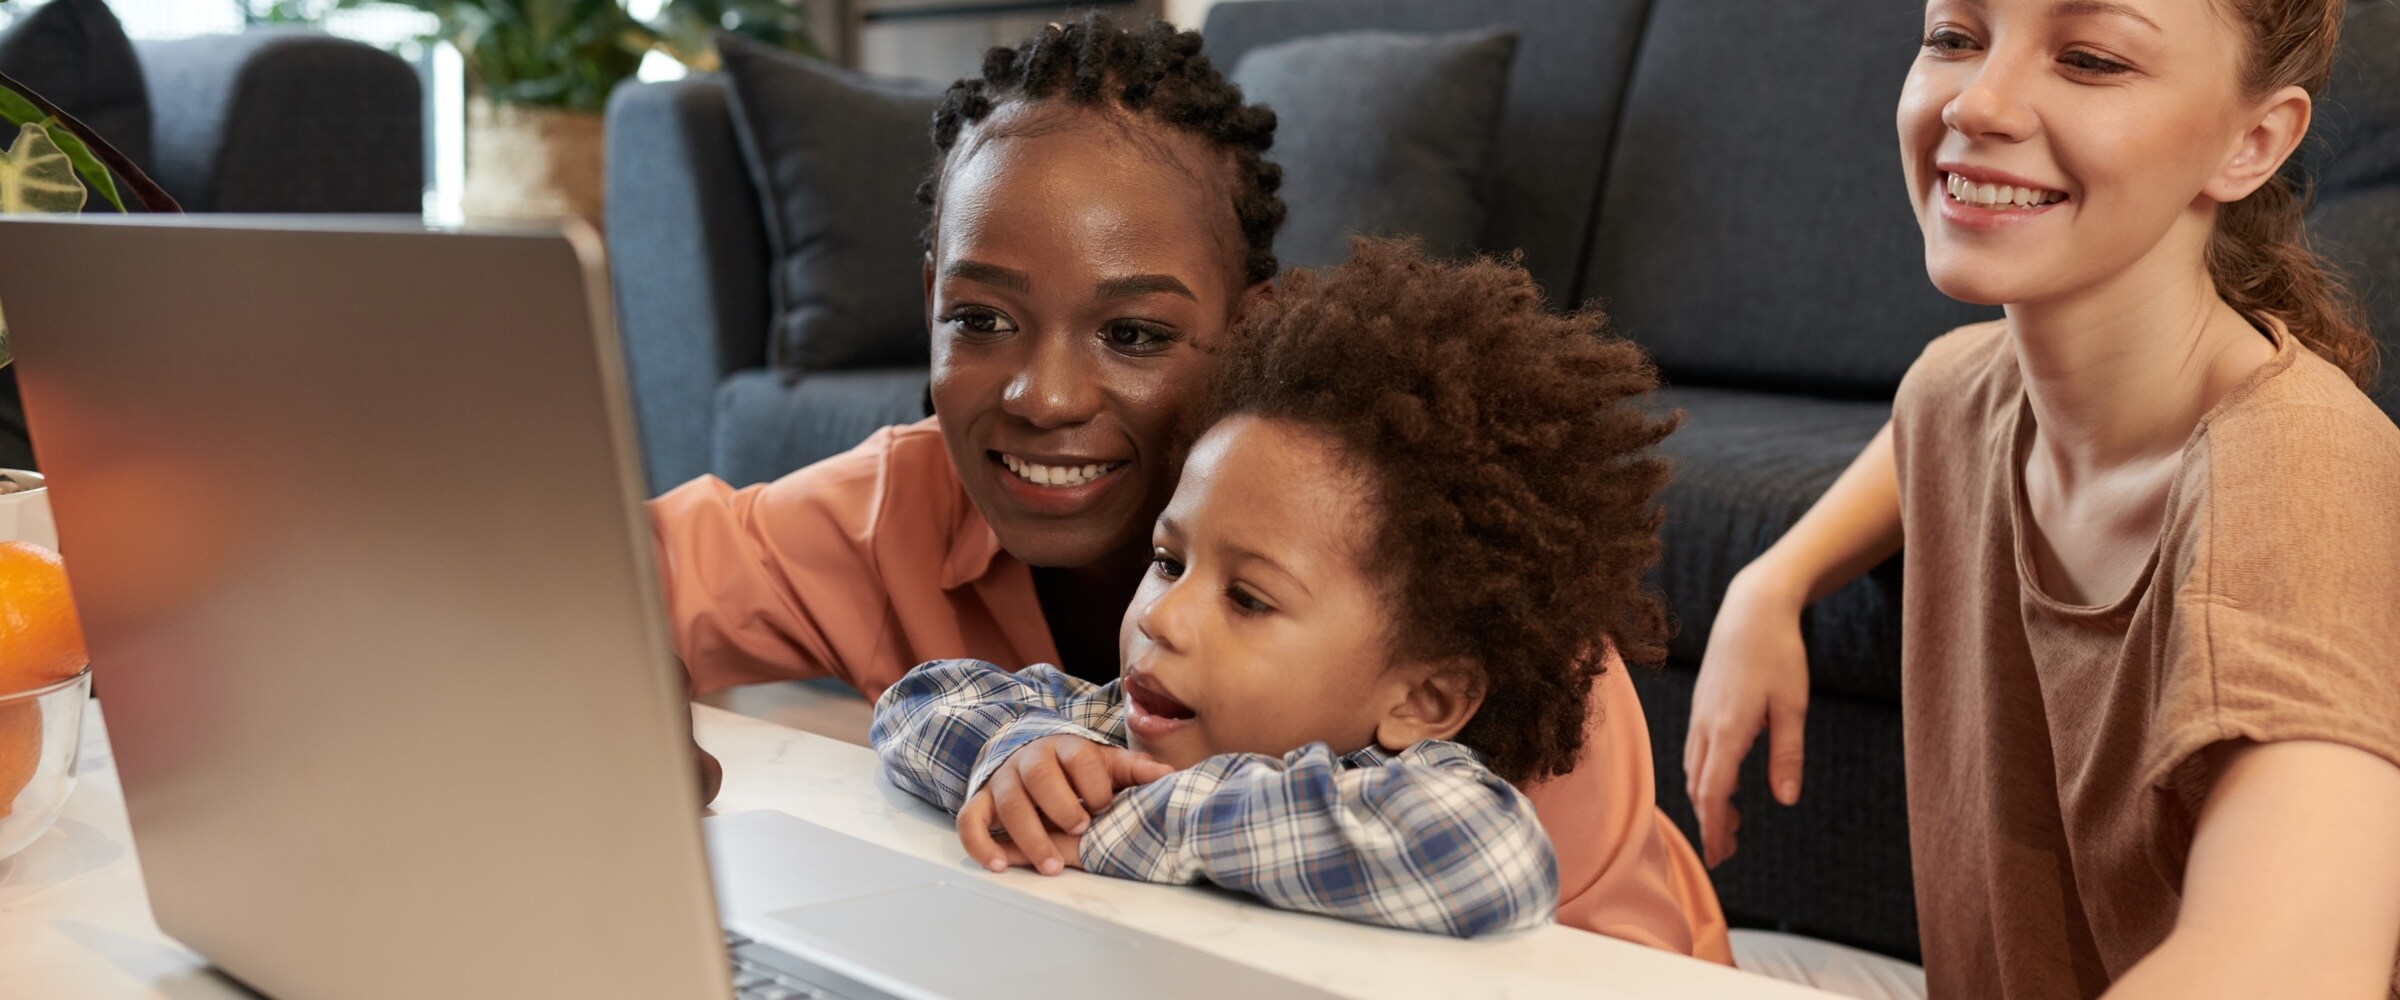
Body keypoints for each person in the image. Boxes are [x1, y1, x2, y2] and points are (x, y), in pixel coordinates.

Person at [648, 15, 1731, 959]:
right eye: (980, 318)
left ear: (1251, 323)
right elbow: (567, 583)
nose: (1045, 395)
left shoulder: (1460, 593)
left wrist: (1116, 815)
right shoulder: (890, 505)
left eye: (1134, 332)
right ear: (931, 299)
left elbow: (1529, 908)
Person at [1683, 0, 2400, 996]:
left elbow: (2299, 964)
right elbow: (1933, 420)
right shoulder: (1954, 400)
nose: (1979, 101)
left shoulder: (2303, 473)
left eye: (2093, 59)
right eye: (1955, 37)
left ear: (2252, 142)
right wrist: (1775, 579)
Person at [871, 239, 1674, 939]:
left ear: (1422, 700)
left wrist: (1110, 820)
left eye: (1249, 599)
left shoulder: (1403, 790)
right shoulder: (1111, 725)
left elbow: (1488, 856)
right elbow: (917, 703)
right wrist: (1017, 759)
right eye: (1167, 560)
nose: (1165, 615)